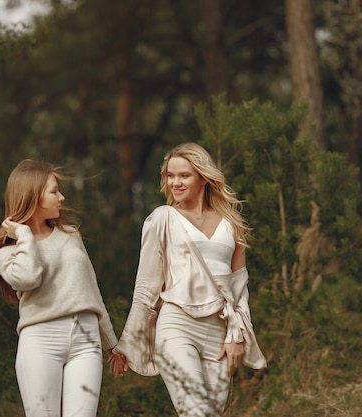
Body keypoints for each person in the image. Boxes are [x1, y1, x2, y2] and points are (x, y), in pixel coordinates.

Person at [110, 143, 267, 417]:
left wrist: (236, 334)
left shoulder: (232, 223)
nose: (175, 183)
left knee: (213, 412)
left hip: (220, 331)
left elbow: (239, 288)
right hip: (177, 325)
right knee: (196, 412)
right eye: (170, 176)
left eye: (184, 175)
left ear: (203, 177)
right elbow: (146, 287)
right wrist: (127, 343)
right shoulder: (162, 219)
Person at [0, 159, 119, 417]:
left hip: (86, 339)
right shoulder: (8, 253)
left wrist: (111, 344)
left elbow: (92, 291)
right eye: (54, 191)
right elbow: (28, 278)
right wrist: (25, 236)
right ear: (32, 196)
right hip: (41, 341)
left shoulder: (71, 235)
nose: (62, 197)